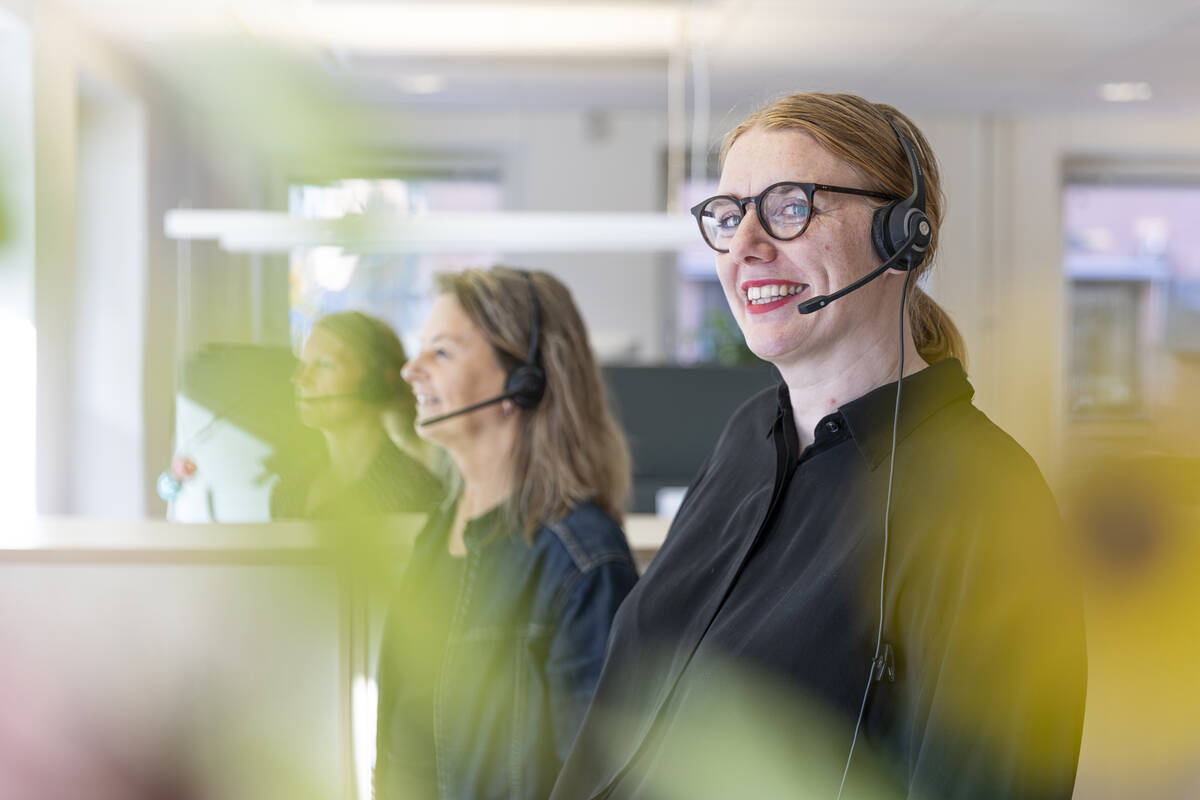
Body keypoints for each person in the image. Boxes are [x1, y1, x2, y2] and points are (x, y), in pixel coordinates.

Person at [550, 92, 1087, 800]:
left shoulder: (985, 497)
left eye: (789, 206)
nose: (744, 246)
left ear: (902, 237)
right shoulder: (749, 436)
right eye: (728, 214)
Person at [374, 267, 638, 800]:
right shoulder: (438, 533)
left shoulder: (581, 558)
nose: (410, 370)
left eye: (441, 353)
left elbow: (599, 781)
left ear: (524, 381)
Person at [271, 310, 442, 519]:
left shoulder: (417, 493)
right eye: (304, 364)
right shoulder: (288, 491)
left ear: (374, 383)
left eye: (324, 365)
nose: (300, 379)